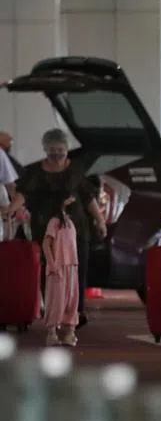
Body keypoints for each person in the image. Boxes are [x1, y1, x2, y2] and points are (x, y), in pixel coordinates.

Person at [8, 129, 106, 325]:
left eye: (60, 149)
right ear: (44, 149)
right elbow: (23, 194)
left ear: (67, 149)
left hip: (75, 229)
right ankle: (55, 311)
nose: (56, 153)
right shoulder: (36, 172)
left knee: (77, 271)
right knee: (50, 270)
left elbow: (88, 198)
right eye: (52, 149)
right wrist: (10, 209)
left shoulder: (76, 170)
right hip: (46, 230)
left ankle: (75, 312)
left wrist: (100, 221)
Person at [41, 191, 80, 347]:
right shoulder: (54, 222)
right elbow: (46, 243)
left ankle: (70, 332)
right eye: (69, 198)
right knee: (57, 300)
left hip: (71, 266)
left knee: (72, 299)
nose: (72, 200)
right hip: (58, 266)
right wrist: (52, 264)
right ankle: (51, 333)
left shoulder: (70, 223)